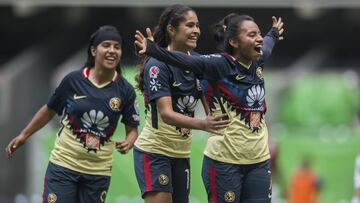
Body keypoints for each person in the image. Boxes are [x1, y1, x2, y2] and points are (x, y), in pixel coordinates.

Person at [135, 13, 284, 203]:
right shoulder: (219, 65)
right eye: (252, 35)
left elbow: (269, 43)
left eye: (259, 34)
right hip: (225, 162)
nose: (259, 39)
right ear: (234, 42)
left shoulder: (258, 59)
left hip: (258, 162)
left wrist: (273, 31)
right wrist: (154, 50)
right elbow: (187, 61)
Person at [5, 25, 139, 203]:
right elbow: (49, 110)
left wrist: (129, 142)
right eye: (106, 45)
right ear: (93, 50)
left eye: (117, 47)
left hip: (97, 172)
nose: (112, 51)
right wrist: (24, 135)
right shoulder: (73, 80)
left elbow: (133, 129)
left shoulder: (126, 90)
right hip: (63, 166)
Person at [133, 4, 230, 203]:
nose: (196, 31)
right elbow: (166, 114)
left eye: (197, 25)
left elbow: (210, 104)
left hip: (181, 154)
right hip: (155, 152)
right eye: (190, 25)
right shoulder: (157, 64)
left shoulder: (197, 63)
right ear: (171, 29)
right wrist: (204, 124)